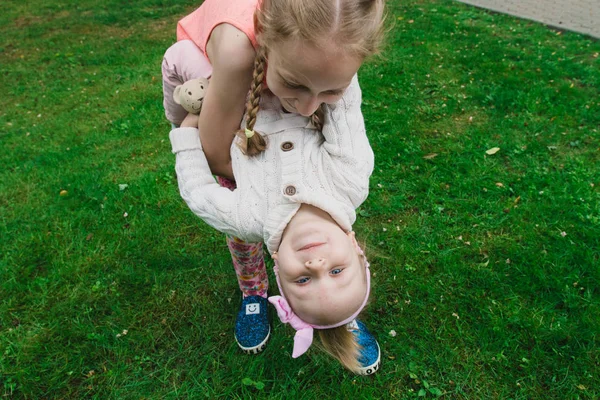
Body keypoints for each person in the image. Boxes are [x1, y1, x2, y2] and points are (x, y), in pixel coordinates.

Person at [162, 0, 385, 374]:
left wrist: (185, 136)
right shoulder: (350, 179)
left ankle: (257, 295)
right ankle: (340, 310)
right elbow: (346, 107)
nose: (316, 263)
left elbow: (199, 194)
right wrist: (340, 60)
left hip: (239, 164)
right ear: (354, 245)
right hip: (243, 92)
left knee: (244, 249)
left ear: (280, 267)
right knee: (183, 57)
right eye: (336, 271)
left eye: (303, 278)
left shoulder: (248, 217)